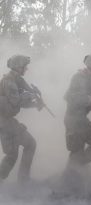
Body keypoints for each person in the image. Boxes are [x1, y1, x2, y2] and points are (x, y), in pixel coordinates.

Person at [62, 53, 91, 192]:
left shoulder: (90, 78)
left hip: (81, 119)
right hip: (74, 119)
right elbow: (70, 97)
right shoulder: (80, 77)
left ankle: (73, 174)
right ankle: (68, 183)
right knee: (77, 151)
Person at [0, 55, 43, 184]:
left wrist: (35, 104)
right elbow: (16, 100)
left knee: (30, 144)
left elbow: (19, 103)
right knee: (12, 155)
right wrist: (32, 95)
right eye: (25, 66)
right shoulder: (9, 81)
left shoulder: (16, 80)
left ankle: (23, 180)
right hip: (4, 122)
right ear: (18, 67)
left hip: (8, 121)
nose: (26, 69)